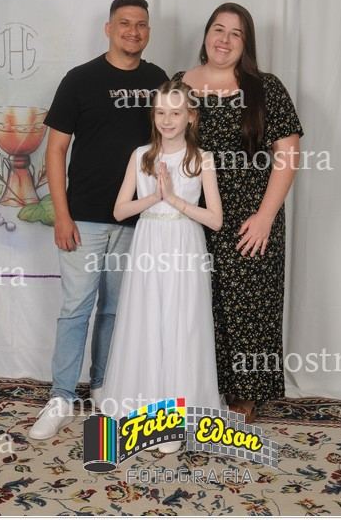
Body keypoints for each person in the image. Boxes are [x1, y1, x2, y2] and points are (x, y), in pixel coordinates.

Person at [28, 0, 168, 440]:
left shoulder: (158, 80)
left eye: (141, 24)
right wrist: (61, 215)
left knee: (115, 309)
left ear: (148, 32)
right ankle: (61, 396)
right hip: (84, 217)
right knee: (76, 308)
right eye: (124, 23)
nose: (133, 31)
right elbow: (55, 150)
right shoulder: (80, 79)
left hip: (137, 219)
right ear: (108, 28)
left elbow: (169, 142)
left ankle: (105, 385)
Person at [173, 3, 303, 423]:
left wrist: (266, 216)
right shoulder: (179, 84)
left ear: (246, 44)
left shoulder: (265, 88)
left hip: (251, 215)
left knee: (249, 306)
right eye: (218, 29)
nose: (224, 40)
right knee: (199, 301)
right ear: (206, 34)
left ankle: (244, 395)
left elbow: (288, 154)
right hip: (194, 213)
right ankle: (200, 384)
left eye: (236, 33)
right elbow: (165, 146)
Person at [101, 80, 223, 453]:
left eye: (175, 113)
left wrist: (173, 199)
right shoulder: (141, 156)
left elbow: (215, 220)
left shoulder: (201, 159)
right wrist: (154, 196)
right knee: (148, 319)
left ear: (191, 117)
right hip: (149, 244)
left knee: (181, 322)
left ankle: (176, 416)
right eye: (160, 113)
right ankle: (146, 410)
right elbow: (119, 210)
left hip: (185, 245)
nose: (167, 120)